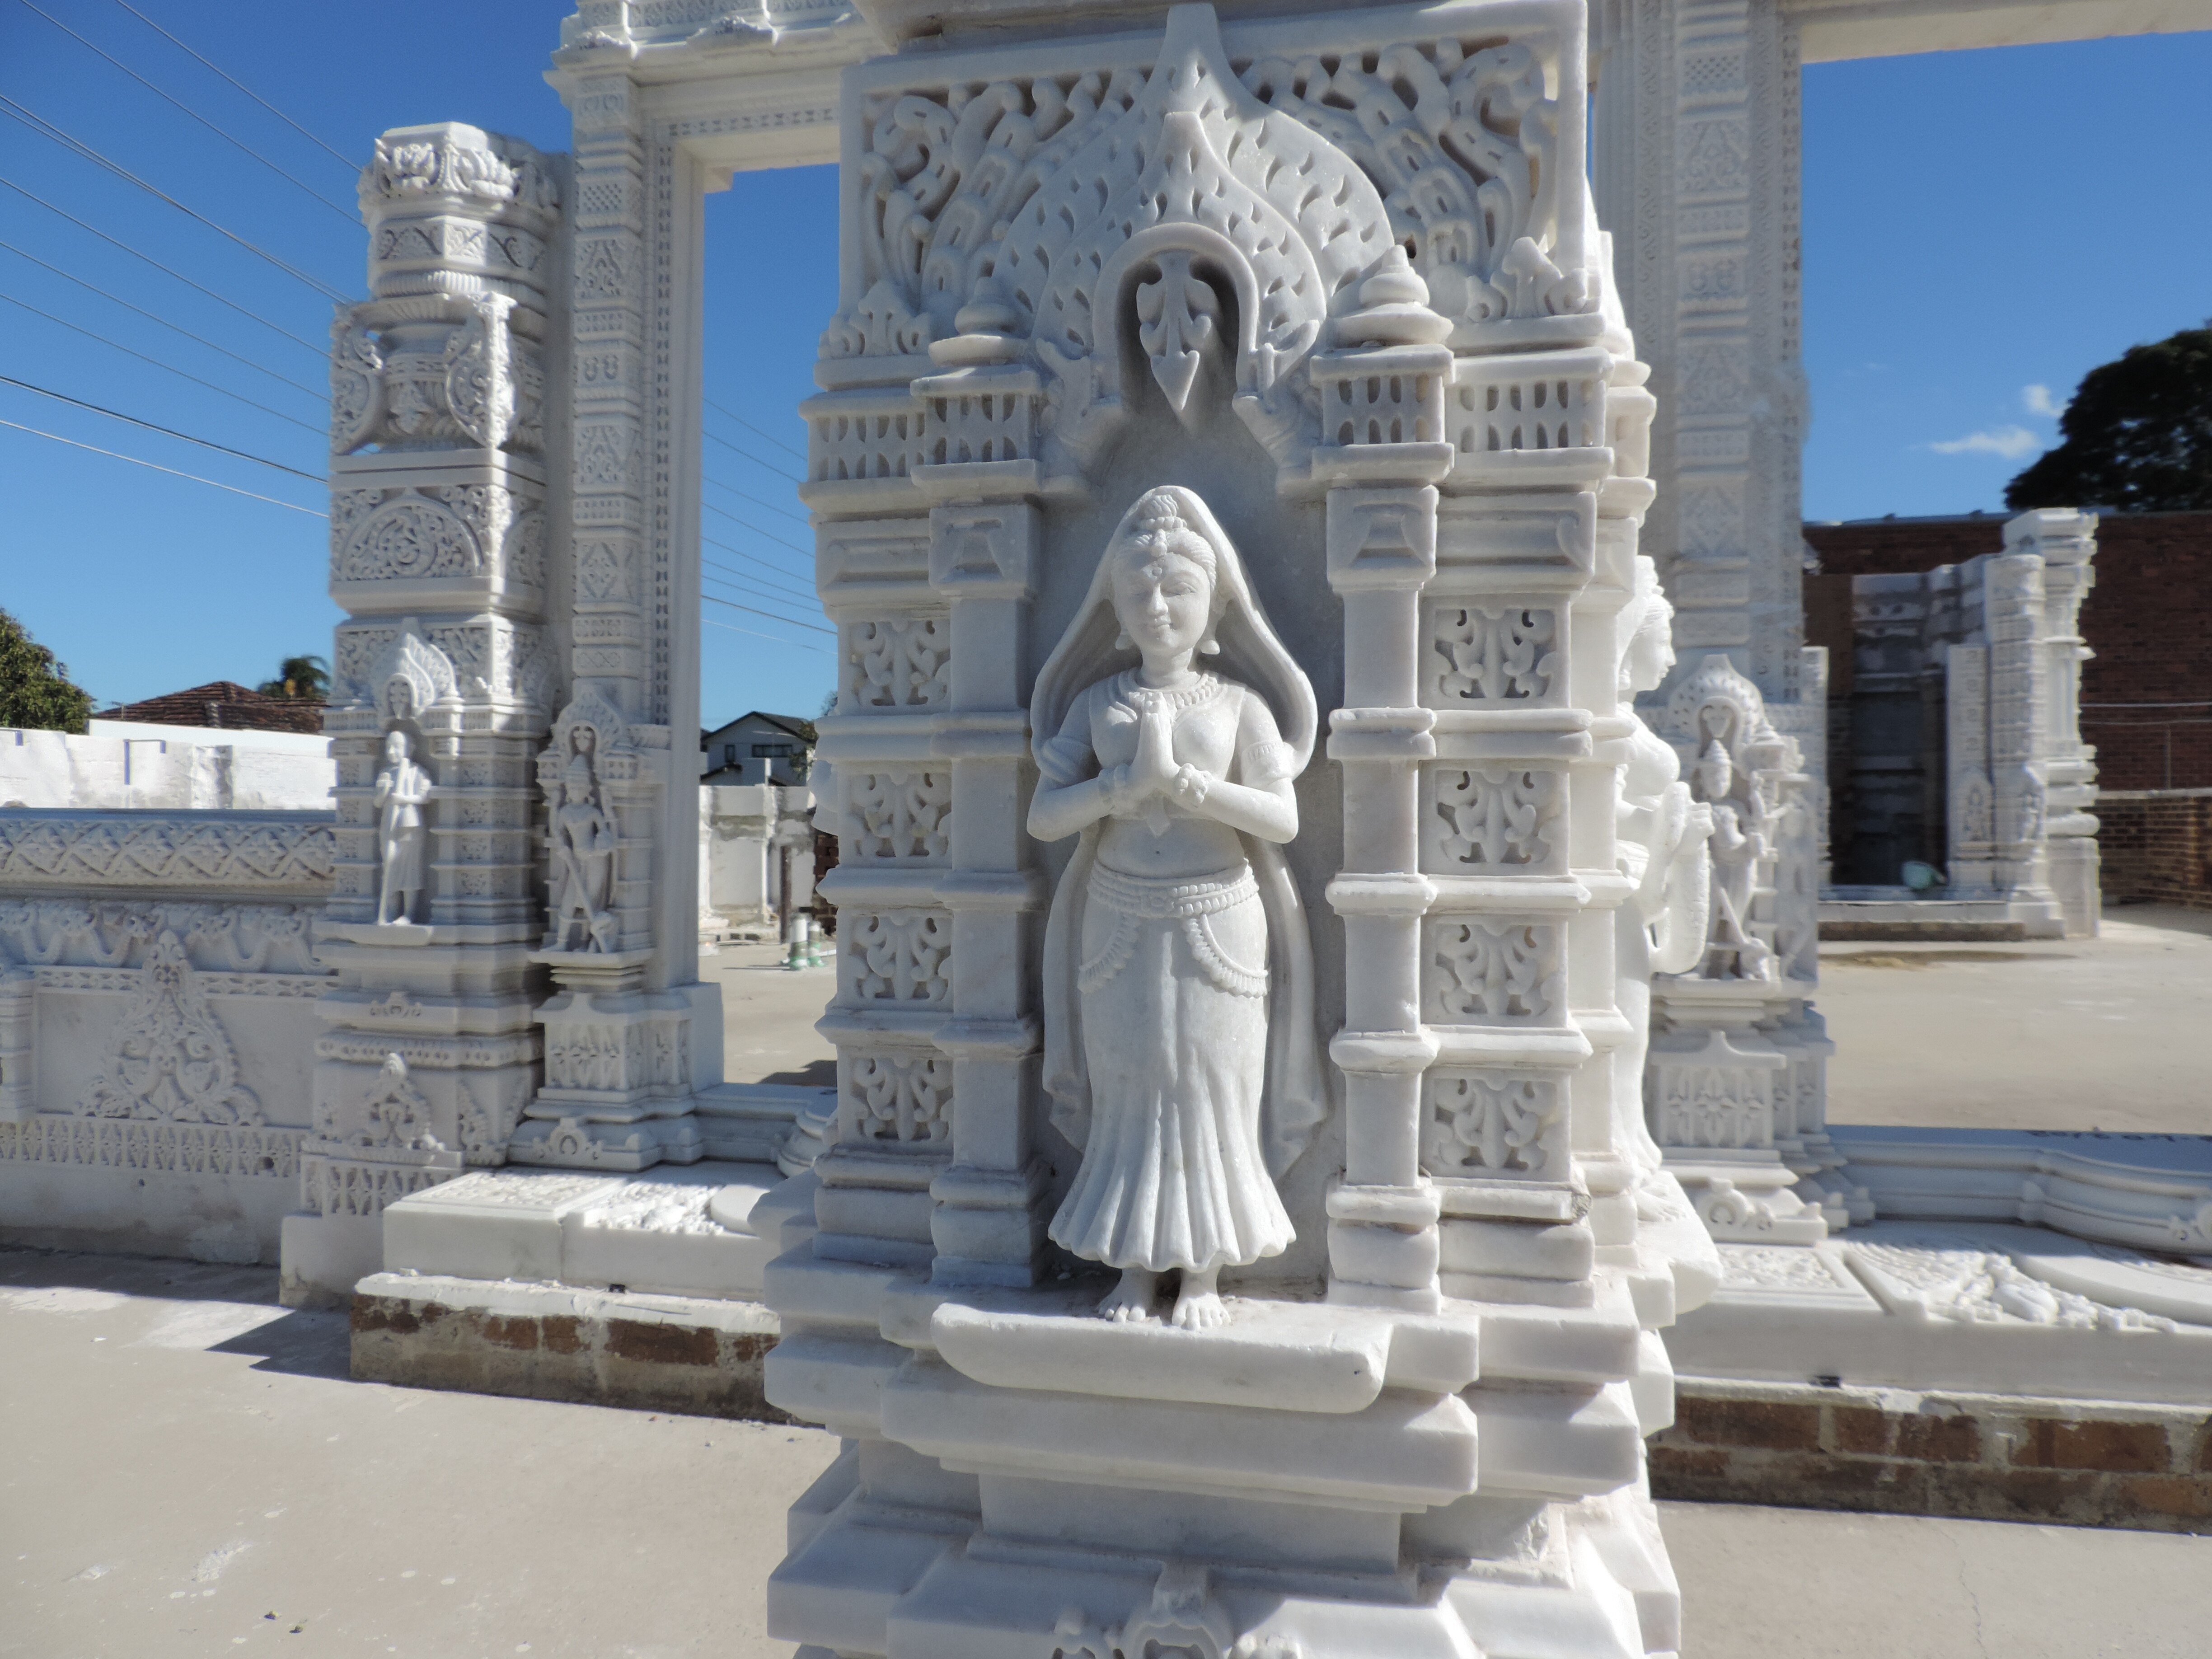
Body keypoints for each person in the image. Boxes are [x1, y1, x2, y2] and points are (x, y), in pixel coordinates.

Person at [1029, 486, 1323, 1331]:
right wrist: (1115, 789)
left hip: (1220, 919)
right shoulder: (1099, 704)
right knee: (1130, 1088)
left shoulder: (1240, 706)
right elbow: (1046, 816)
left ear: (1214, 604)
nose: (1159, 608)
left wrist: (1199, 789)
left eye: (1178, 592)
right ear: (1115, 611)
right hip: (1118, 918)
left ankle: (1202, 1271)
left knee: (1210, 1088)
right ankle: (1129, 1262)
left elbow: (1284, 817)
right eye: (1140, 594)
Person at [373, 729, 432, 926]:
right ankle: (388, 911)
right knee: (389, 866)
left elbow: (425, 796)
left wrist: (405, 799)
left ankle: (409, 914)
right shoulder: (386, 774)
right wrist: (384, 790)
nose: (391, 752)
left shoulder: (417, 771)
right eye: (389, 747)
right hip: (389, 826)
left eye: (397, 747)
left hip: (410, 826)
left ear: (409, 749)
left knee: (410, 870)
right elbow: (378, 803)